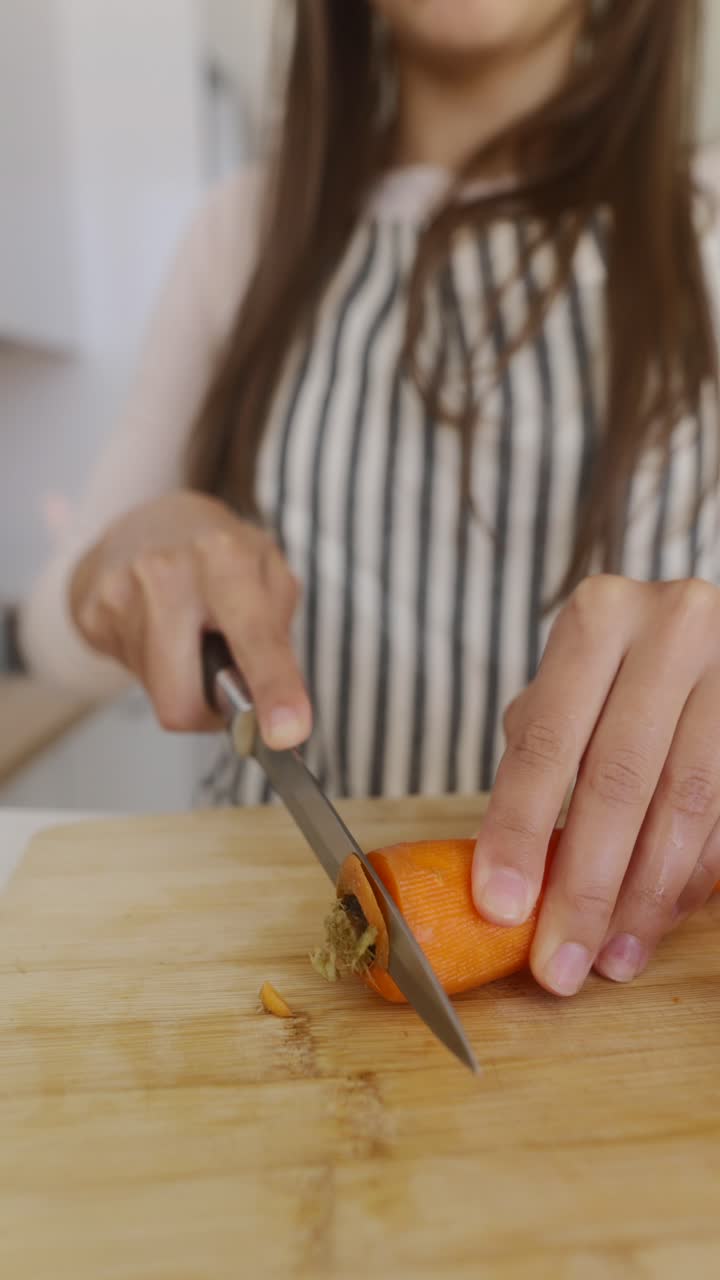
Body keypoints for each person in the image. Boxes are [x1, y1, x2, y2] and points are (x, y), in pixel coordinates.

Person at [20, 0, 720, 999]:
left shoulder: (709, 227)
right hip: (246, 960)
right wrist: (121, 558)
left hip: (621, 982)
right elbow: (54, 639)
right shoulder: (242, 232)